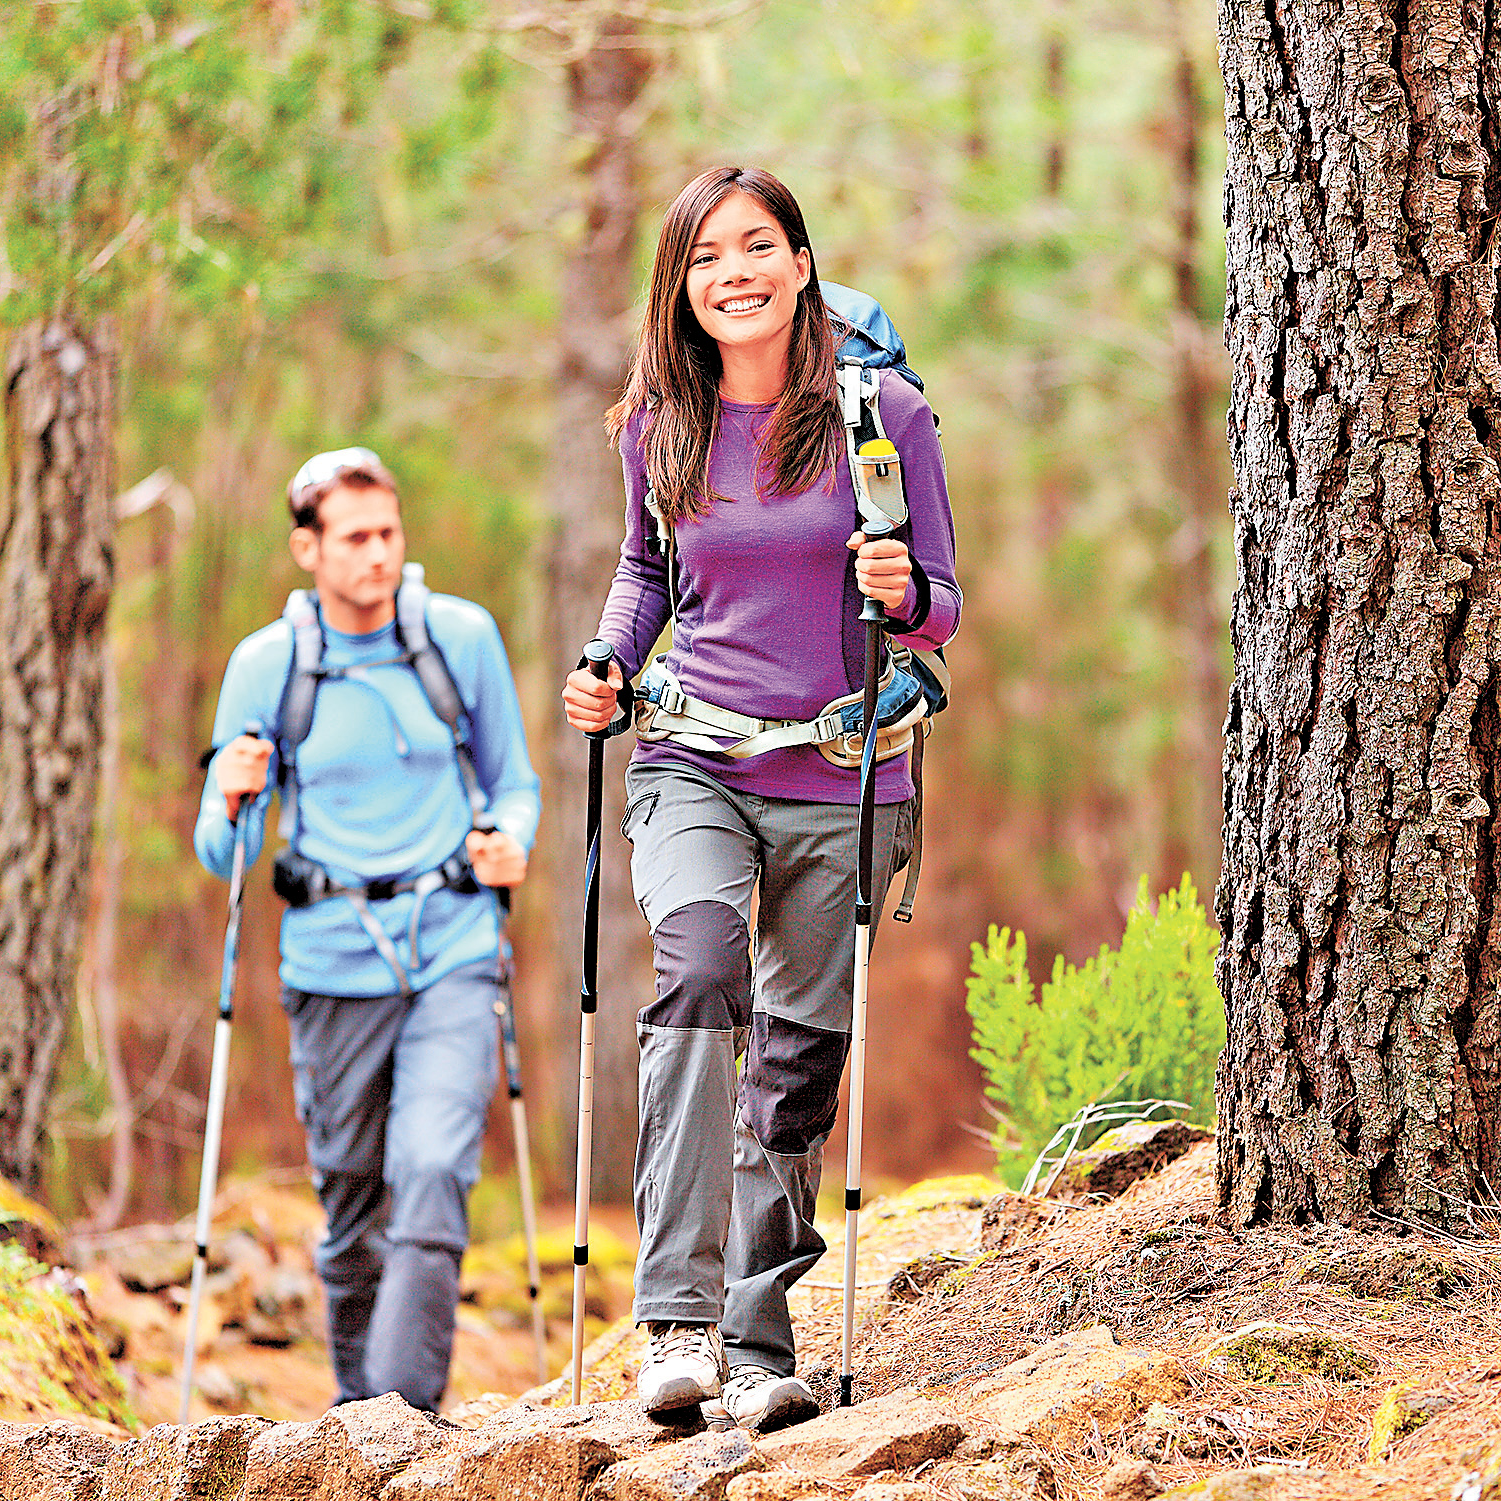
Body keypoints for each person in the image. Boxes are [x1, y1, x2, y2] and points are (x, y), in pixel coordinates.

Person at [563, 166, 961, 1433]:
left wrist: (898, 589)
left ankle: (754, 1337)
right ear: (680, 287)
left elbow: (941, 603)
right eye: (704, 257)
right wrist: (608, 661)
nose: (732, 272)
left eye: (756, 247)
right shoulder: (657, 422)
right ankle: (671, 1322)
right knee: (693, 969)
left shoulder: (878, 412)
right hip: (693, 756)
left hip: (845, 772)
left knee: (793, 1051)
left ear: (799, 263)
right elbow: (645, 569)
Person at [196, 448, 541, 1413]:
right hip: (329, 960)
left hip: (455, 946)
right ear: (307, 548)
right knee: (352, 1203)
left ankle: (405, 1417)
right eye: (354, 539)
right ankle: (358, 1419)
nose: (378, 554)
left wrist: (508, 840)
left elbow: (513, 781)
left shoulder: (458, 638)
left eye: (389, 533)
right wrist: (231, 797)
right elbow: (225, 858)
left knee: (431, 1168)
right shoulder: (269, 666)